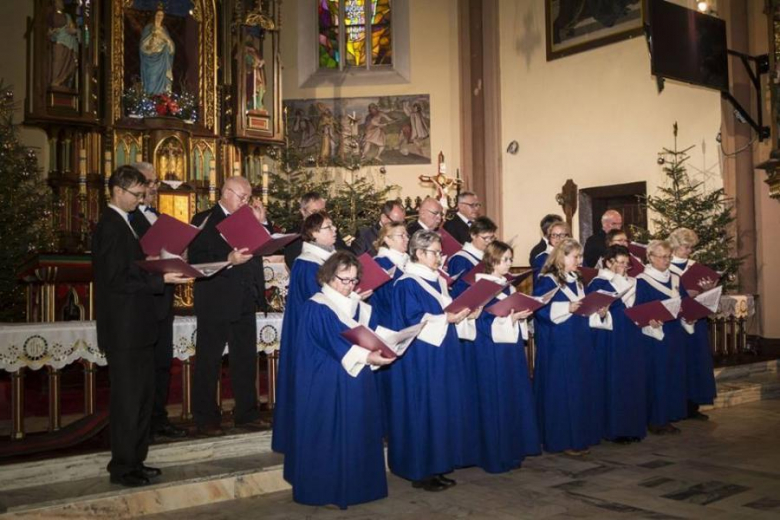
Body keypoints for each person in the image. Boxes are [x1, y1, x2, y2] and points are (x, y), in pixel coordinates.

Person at [93, 165, 189, 487]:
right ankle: (122, 467)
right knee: (128, 400)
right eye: (135, 193)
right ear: (117, 191)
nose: (140, 198)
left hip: (137, 326)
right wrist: (159, 277)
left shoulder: (125, 223)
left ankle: (136, 460)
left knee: (142, 398)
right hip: (125, 329)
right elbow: (117, 278)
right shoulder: (110, 226)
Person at [287, 252, 394, 509]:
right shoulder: (317, 306)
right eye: (343, 280)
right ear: (328, 275)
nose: (348, 286)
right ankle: (327, 491)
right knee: (330, 435)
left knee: (357, 429)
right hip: (326, 384)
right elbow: (335, 343)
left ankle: (360, 487)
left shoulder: (350, 303)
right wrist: (370, 356)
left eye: (353, 280)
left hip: (351, 379)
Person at [387, 230, 478, 492]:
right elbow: (412, 320)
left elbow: (444, 311)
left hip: (442, 353)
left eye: (440, 252)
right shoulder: (407, 284)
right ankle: (420, 469)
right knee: (424, 409)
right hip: (421, 358)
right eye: (435, 253)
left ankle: (438, 465)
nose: (440, 257)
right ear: (418, 253)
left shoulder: (437, 279)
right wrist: (446, 319)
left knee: (441, 408)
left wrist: (465, 314)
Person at [188, 177, 267, 437]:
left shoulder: (247, 219)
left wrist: (262, 223)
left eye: (248, 197)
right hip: (215, 300)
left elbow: (262, 248)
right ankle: (206, 417)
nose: (245, 202)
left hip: (244, 298)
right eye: (241, 197)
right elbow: (196, 261)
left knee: (245, 359)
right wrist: (228, 259)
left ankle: (247, 414)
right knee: (209, 361)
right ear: (225, 192)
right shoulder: (203, 220)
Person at [533, 238, 609, 455]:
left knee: (580, 387)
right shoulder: (547, 281)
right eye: (575, 256)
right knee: (563, 389)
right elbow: (540, 310)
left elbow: (583, 307)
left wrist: (598, 311)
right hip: (560, 342)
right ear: (562, 257)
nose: (579, 260)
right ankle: (563, 438)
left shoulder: (577, 279)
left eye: (580, 256)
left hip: (580, 340)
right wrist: (567, 307)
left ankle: (582, 434)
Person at [128, 162, 187, 440]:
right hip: (142, 301)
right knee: (144, 368)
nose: (153, 187)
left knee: (163, 363)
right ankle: (144, 424)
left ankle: (159, 418)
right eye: (148, 182)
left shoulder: (156, 215)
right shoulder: (127, 219)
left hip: (162, 299)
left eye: (154, 182)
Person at [472, 241, 541, 473]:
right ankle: (496, 455)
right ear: (492, 260)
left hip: (510, 352)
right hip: (492, 353)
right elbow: (480, 323)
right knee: (497, 399)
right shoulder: (481, 286)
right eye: (506, 260)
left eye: (511, 259)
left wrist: (520, 316)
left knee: (512, 398)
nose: (510, 264)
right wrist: (510, 319)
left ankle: (513, 450)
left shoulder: (507, 287)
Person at [273, 212, 337, 455]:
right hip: (312, 339)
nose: (334, 230)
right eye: (328, 227)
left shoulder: (327, 259)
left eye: (332, 225)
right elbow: (318, 303)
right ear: (313, 233)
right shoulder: (307, 263)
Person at [587, 244, 646, 444]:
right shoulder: (598, 283)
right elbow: (592, 312)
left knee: (631, 379)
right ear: (608, 262)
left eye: (626, 264)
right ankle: (614, 429)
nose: (623, 267)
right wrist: (602, 312)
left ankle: (632, 426)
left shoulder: (633, 281)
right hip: (611, 338)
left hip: (631, 335)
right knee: (615, 379)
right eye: (619, 263)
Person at [635, 240, 694, 435]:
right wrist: (648, 320)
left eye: (668, 257)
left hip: (675, 333)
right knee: (658, 375)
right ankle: (656, 419)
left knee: (673, 374)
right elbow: (638, 309)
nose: (666, 261)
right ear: (650, 258)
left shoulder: (676, 278)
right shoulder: (642, 281)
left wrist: (690, 313)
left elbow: (685, 303)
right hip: (655, 337)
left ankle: (670, 414)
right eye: (661, 257)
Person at [668, 227, 717, 421]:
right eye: (686, 247)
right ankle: (676, 405)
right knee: (678, 362)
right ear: (675, 245)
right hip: (676, 322)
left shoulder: (695, 266)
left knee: (696, 361)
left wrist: (707, 290)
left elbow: (706, 294)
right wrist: (685, 294)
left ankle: (693, 405)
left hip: (696, 320)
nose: (689, 251)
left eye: (691, 247)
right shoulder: (665, 266)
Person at [370, 222, 410, 434]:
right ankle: (388, 425)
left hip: (403, 322)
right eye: (400, 235)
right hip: (388, 323)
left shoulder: (406, 261)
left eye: (406, 235)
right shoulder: (380, 262)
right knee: (390, 377)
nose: (406, 239)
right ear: (386, 239)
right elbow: (384, 297)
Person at [284, 192, 347, 268]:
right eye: (314, 212)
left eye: (322, 211)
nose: (319, 215)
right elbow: (293, 264)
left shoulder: (332, 230)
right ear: (303, 212)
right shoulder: (292, 236)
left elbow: (345, 253)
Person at [447, 216, 497, 298]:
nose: (489, 242)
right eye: (485, 238)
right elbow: (456, 292)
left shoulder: (487, 256)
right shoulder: (460, 259)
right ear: (473, 235)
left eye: (492, 238)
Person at [140, 7, 175, 95]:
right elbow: (142, 46)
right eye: (158, 15)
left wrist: (167, 43)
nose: (160, 17)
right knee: (152, 79)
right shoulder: (149, 28)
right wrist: (152, 41)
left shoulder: (164, 30)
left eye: (162, 15)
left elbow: (171, 47)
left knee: (163, 82)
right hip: (150, 60)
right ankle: (150, 100)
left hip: (163, 60)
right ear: (154, 16)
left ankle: (163, 101)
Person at [48, 0, 78, 90]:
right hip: (59, 42)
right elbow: (49, 30)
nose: (61, 3)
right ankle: (55, 81)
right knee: (58, 63)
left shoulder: (67, 16)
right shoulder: (51, 16)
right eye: (59, 1)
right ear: (55, 3)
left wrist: (73, 30)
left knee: (69, 64)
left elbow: (72, 28)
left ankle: (62, 81)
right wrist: (51, 32)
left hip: (69, 43)